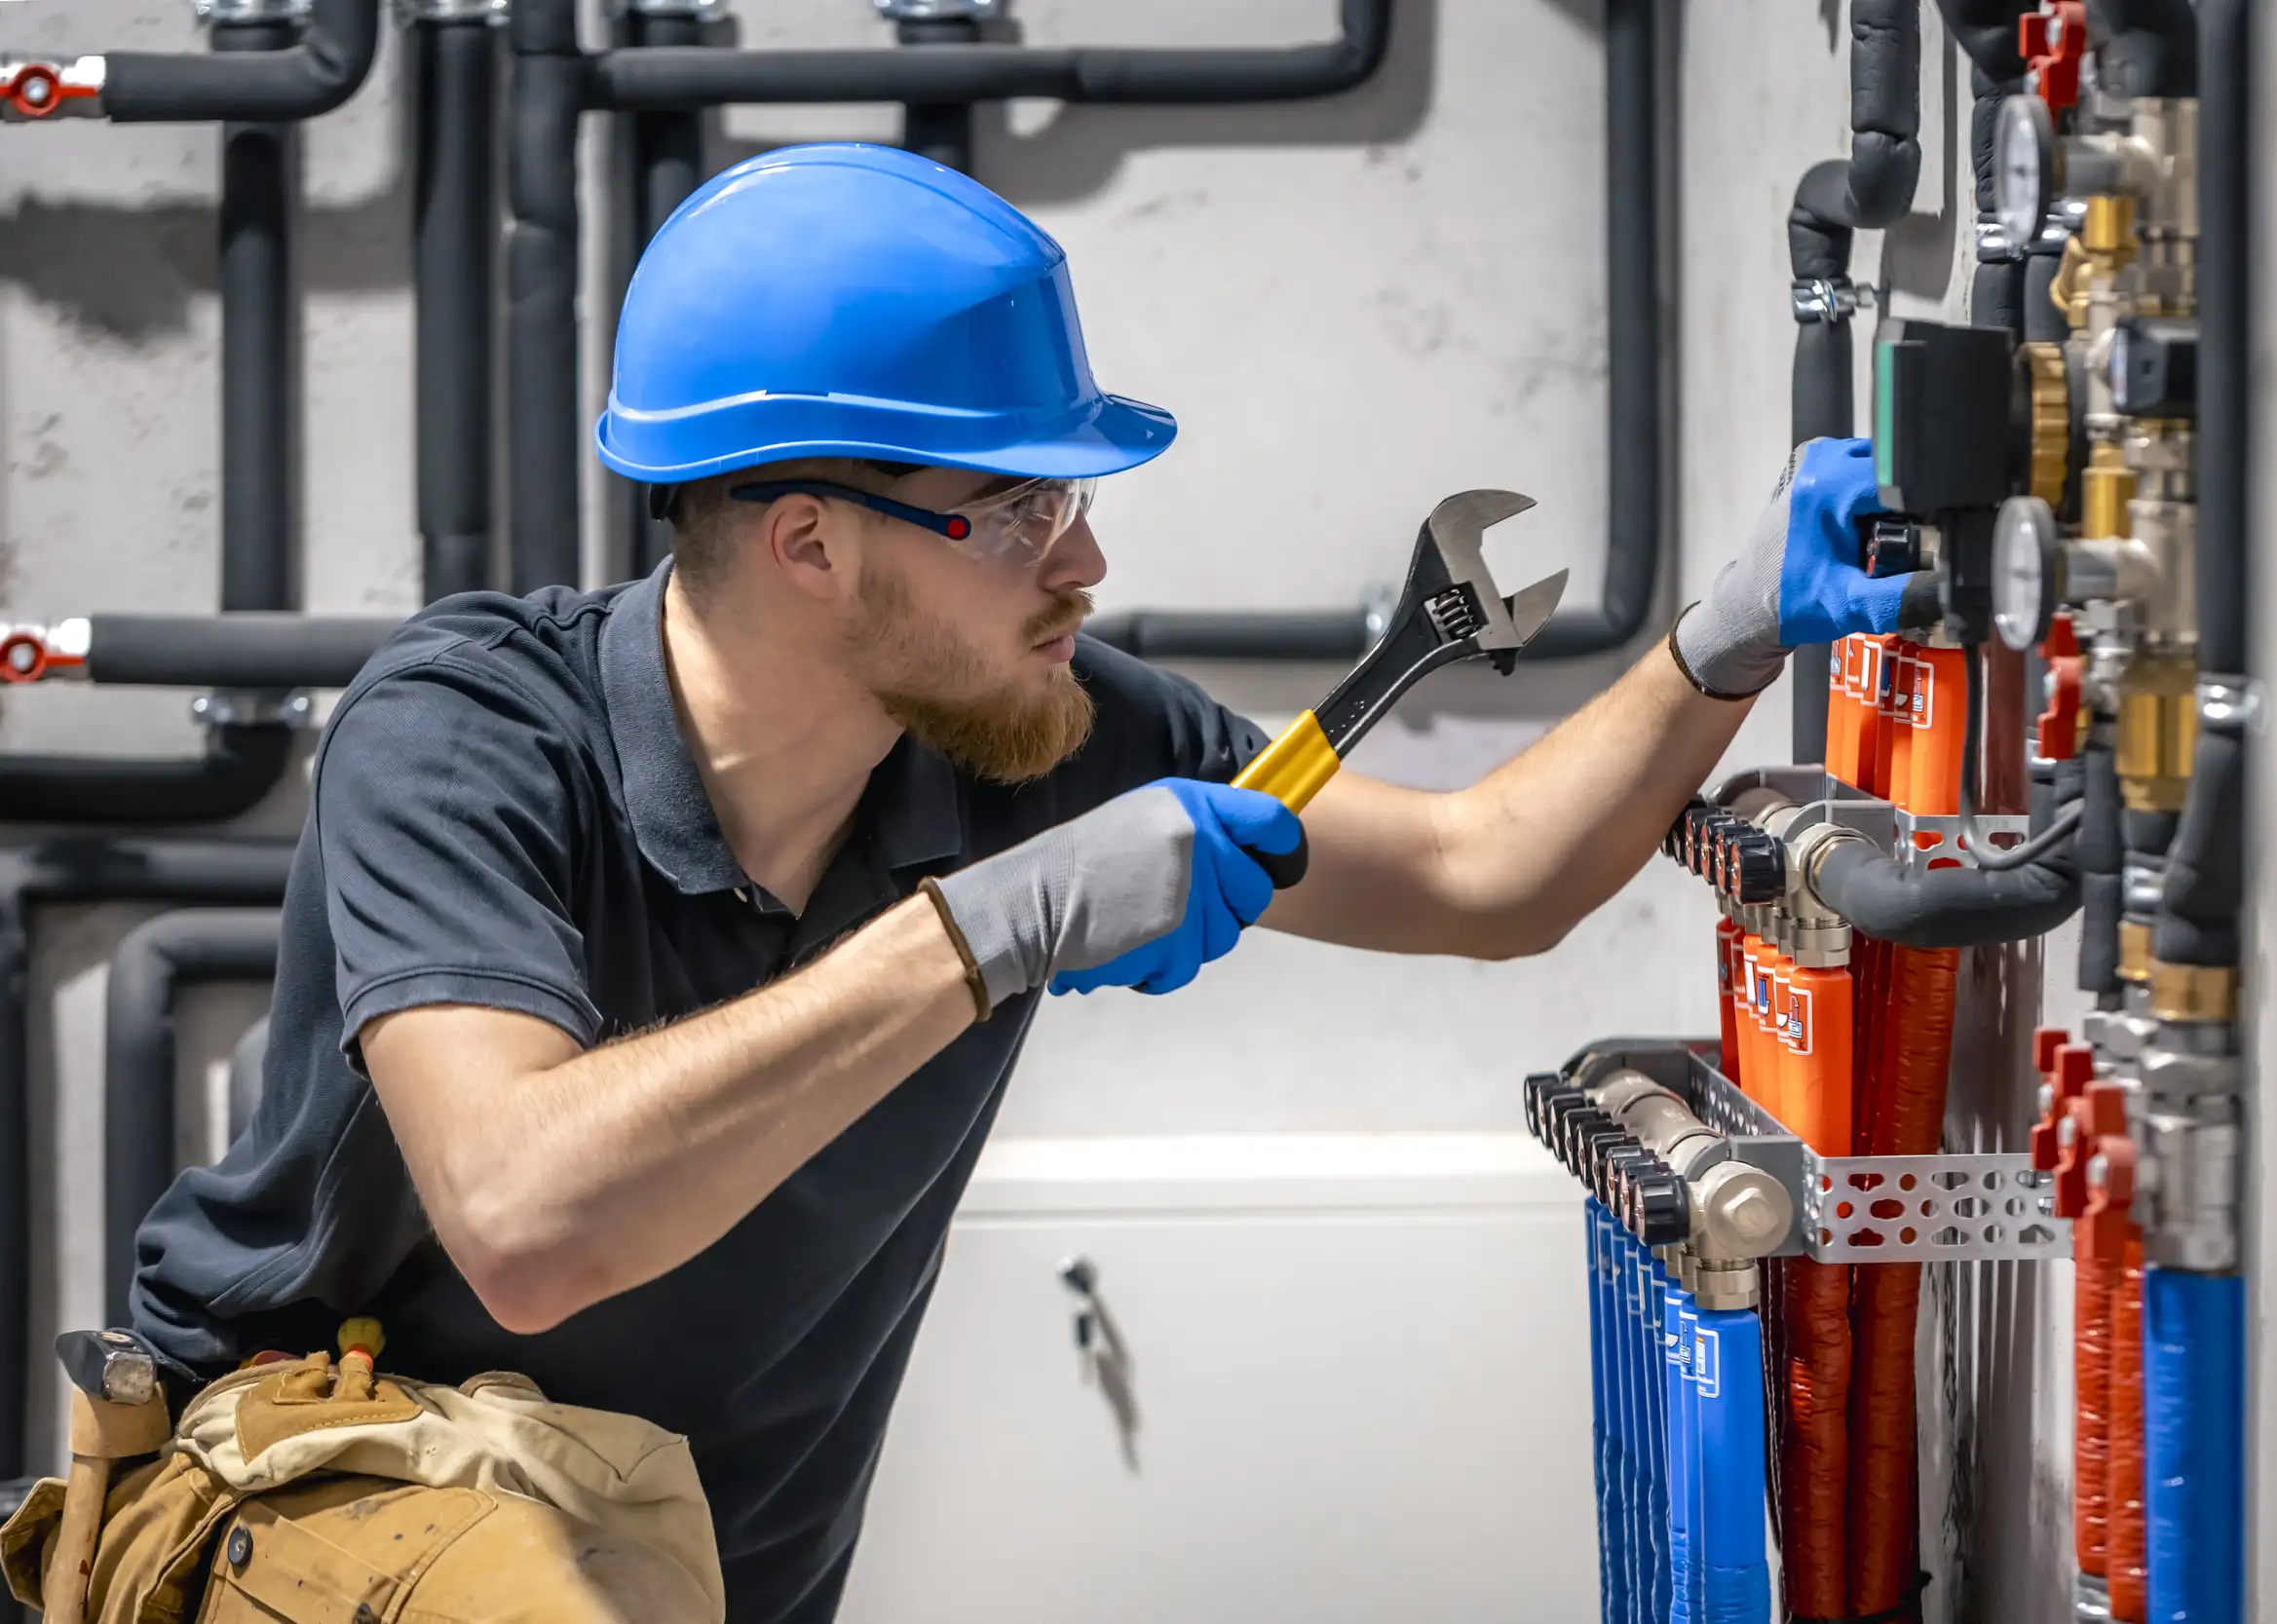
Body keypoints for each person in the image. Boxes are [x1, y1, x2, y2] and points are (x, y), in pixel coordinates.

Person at [123, 144, 1908, 1621]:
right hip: (307, 1529)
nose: (1089, 557)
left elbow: (1478, 871)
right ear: (810, 539)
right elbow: (528, 1221)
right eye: (1019, 507)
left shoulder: (1027, 730)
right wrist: (991, 931)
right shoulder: (464, 736)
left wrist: (1720, 641)